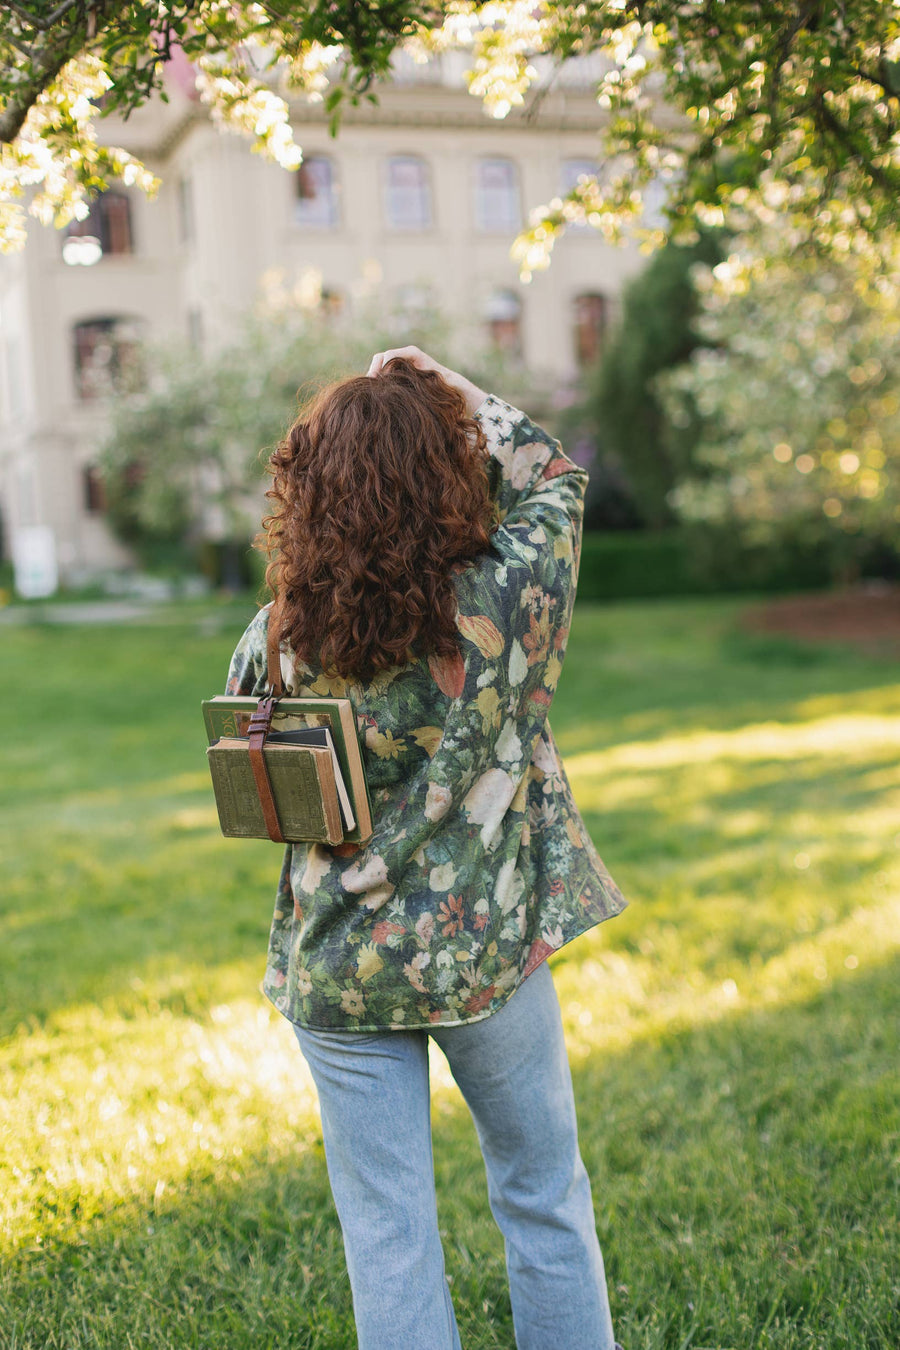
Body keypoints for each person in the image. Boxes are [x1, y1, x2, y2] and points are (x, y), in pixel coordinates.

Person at [225, 347, 629, 1350]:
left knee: (387, 1231)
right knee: (542, 1196)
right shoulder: (502, 605)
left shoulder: (275, 638)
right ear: (446, 474)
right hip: (487, 956)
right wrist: (451, 384)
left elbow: (253, 772)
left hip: (342, 967)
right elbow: (557, 478)